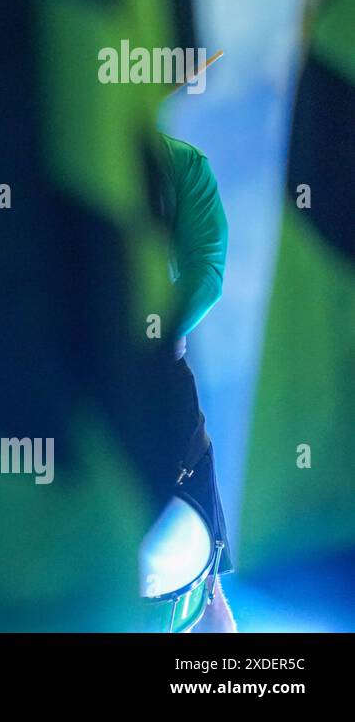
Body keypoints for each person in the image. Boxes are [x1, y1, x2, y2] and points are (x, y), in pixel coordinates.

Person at [150, 130, 236, 632]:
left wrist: (147, 332)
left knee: (202, 585)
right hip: (70, 390)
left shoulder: (181, 163)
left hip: (159, 386)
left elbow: (207, 270)